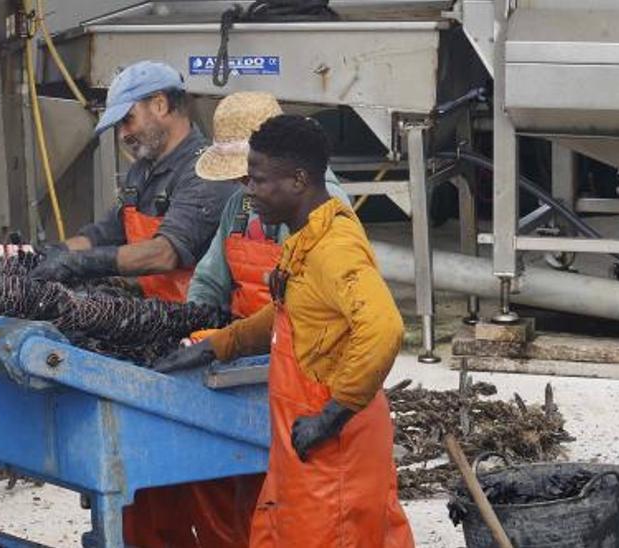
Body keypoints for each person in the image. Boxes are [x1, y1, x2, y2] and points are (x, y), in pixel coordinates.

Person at [154, 115, 414, 547]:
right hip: (301, 445)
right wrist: (220, 345)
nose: (249, 190)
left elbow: (384, 328)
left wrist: (333, 414)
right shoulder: (302, 240)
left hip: (336, 448)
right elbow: (290, 314)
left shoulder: (334, 249)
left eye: (258, 180)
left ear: (297, 180)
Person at [29, 61, 236, 304]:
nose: (122, 135)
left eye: (128, 119)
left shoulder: (205, 173)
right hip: (152, 309)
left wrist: (77, 263)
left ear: (160, 105)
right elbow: (107, 233)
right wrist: (53, 253)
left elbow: (164, 254)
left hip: (194, 318)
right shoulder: (143, 169)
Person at [185, 92, 352, 321]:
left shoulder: (325, 205)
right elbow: (208, 281)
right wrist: (194, 323)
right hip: (246, 341)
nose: (242, 185)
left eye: (249, 176)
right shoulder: (238, 205)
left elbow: (318, 305)